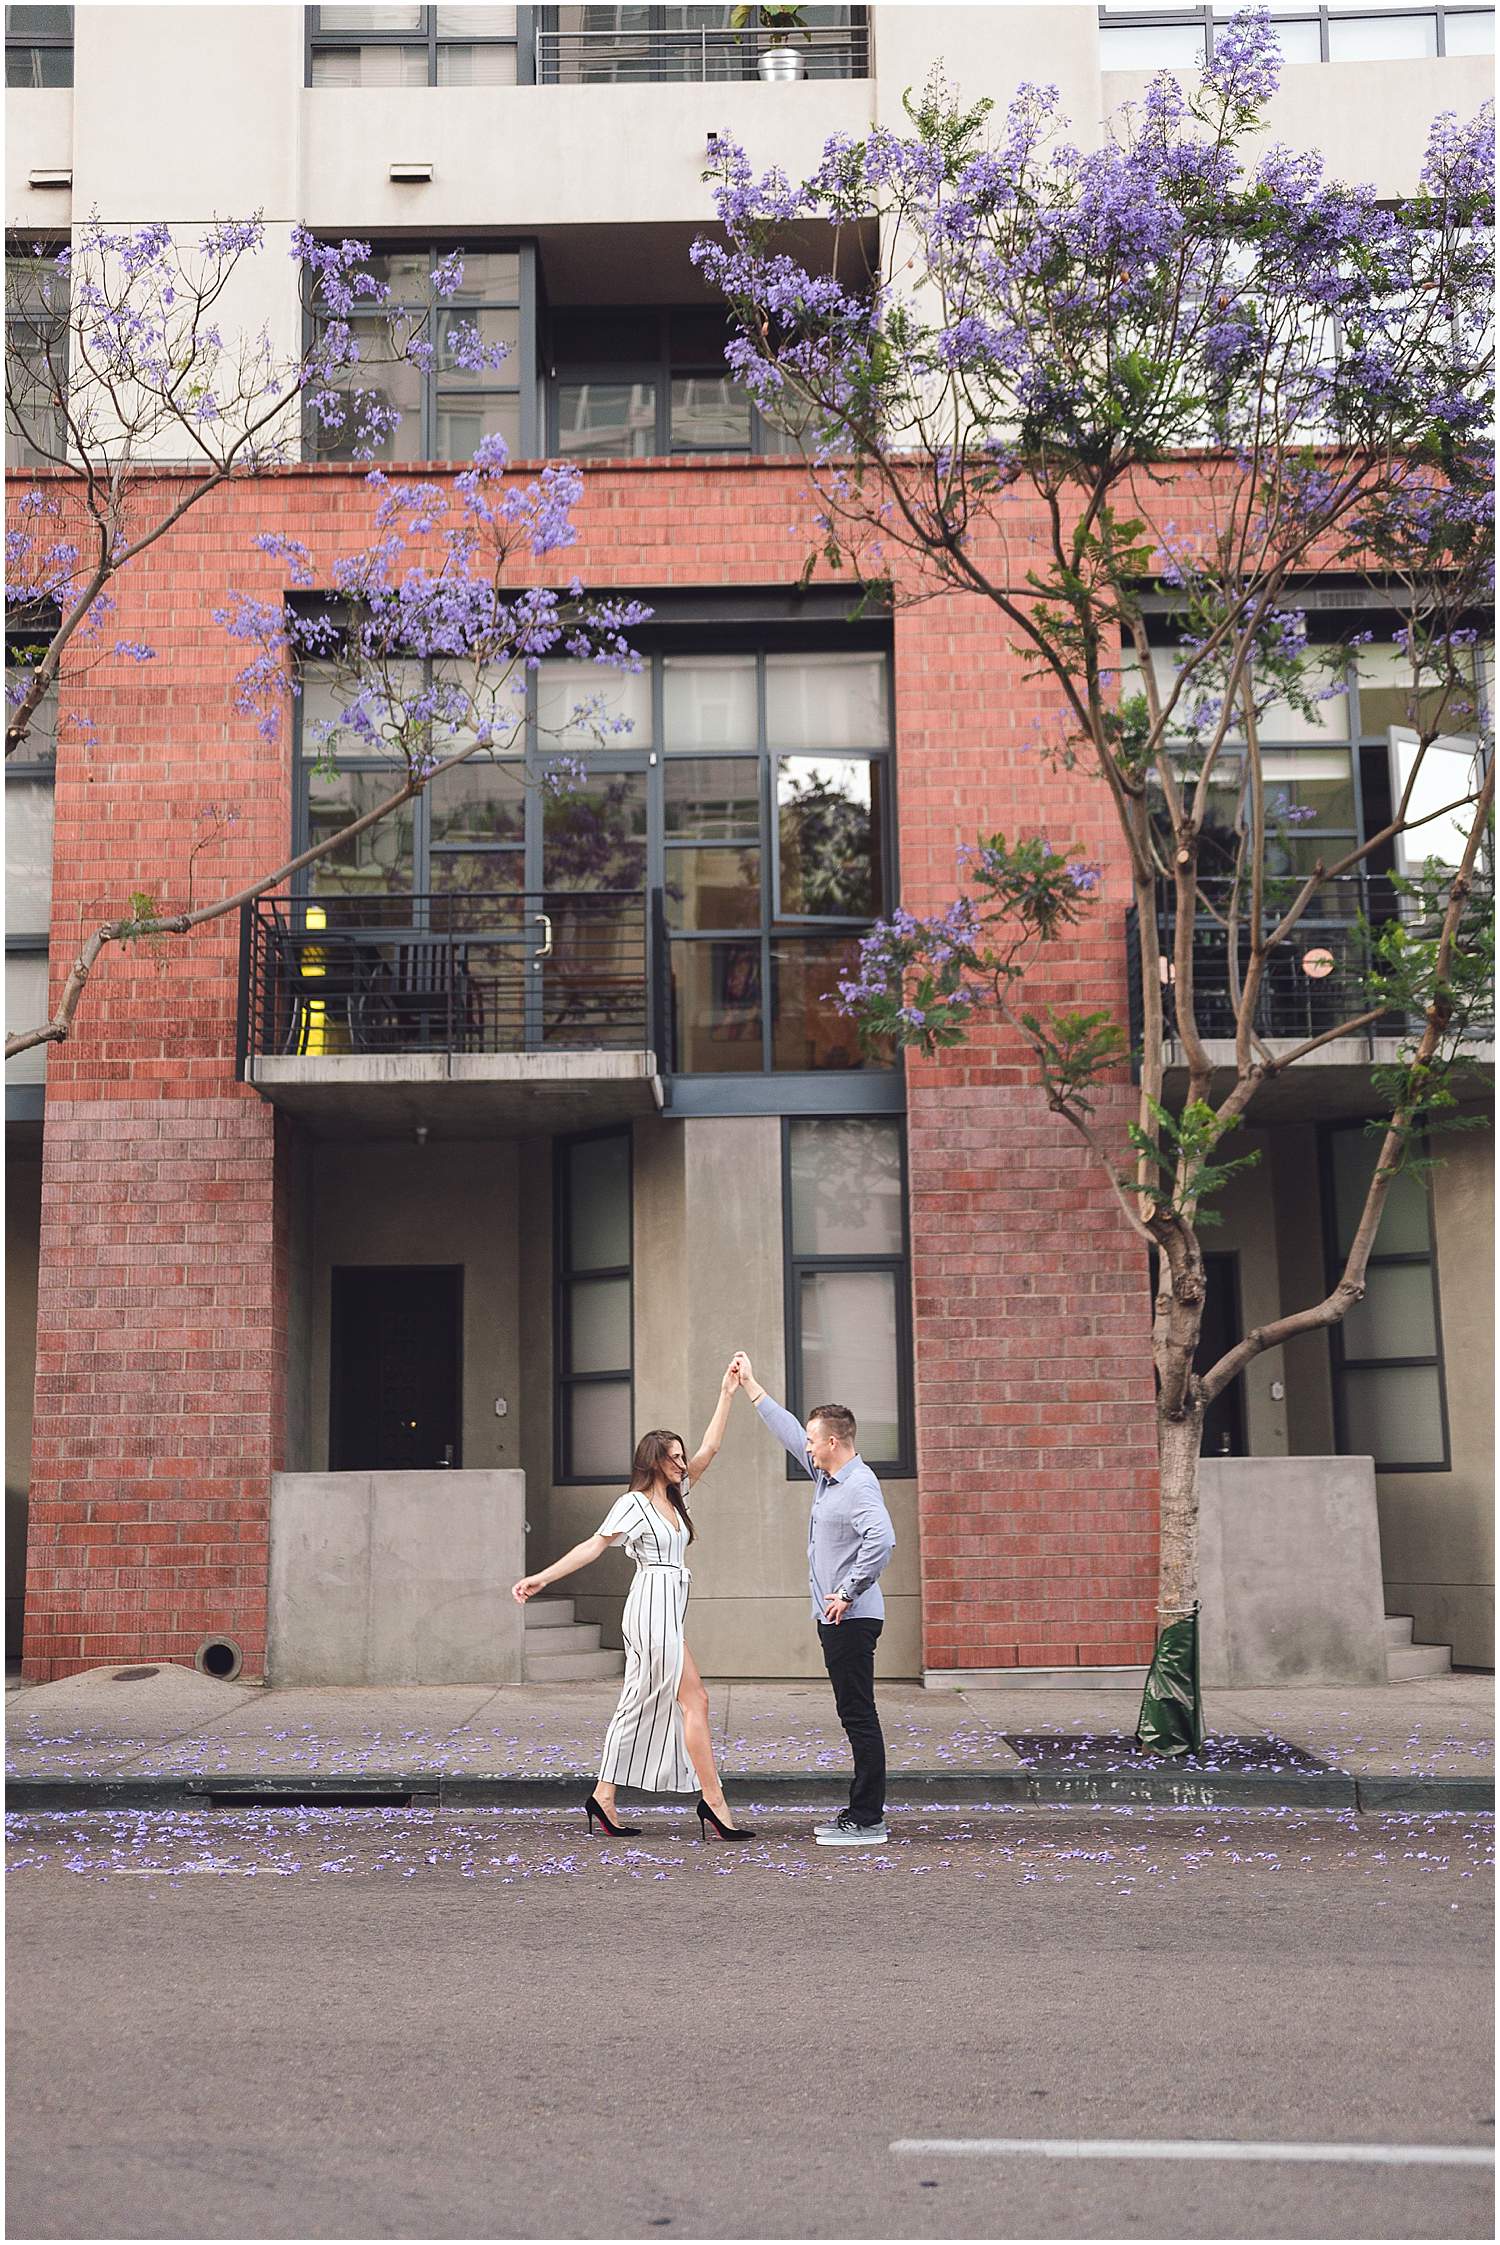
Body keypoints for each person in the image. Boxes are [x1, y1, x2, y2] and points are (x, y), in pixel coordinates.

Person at [511, 1360, 753, 1843]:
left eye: (682, 1457)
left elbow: (712, 1448)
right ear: (653, 1460)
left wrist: (727, 1392)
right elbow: (594, 1545)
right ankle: (714, 1802)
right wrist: (542, 1577)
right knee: (688, 1700)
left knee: (649, 1701)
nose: (682, 1464)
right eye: (673, 1458)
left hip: (670, 1608)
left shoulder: (676, 1496)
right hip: (648, 1608)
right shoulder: (634, 1503)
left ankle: (604, 1795)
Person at [731, 1353, 896, 1846]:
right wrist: (753, 1387)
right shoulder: (827, 1476)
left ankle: (867, 1819)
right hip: (839, 1618)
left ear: (831, 1441)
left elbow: (883, 1540)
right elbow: (785, 1430)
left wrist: (846, 1592)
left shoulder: (859, 1486)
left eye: (811, 1438)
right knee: (855, 1712)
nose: (805, 1444)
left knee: (859, 1714)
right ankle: (862, 1813)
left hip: (853, 1618)